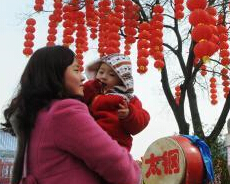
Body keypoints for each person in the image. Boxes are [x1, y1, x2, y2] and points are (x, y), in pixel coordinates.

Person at [2, 46, 141, 184]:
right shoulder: (64, 113)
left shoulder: (36, 116)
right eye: (76, 70)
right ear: (55, 74)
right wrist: (135, 171)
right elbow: (121, 168)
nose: (82, 77)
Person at [83, 53, 150, 152]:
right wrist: (94, 85)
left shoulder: (128, 99)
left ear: (122, 80)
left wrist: (129, 114)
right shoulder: (93, 94)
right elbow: (79, 97)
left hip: (116, 145)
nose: (104, 77)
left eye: (112, 74)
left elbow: (142, 120)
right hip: (90, 141)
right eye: (101, 72)